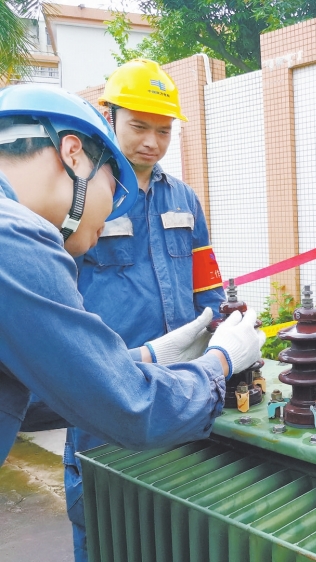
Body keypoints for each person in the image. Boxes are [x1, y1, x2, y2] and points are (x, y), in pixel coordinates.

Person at [0, 83, 264, 549]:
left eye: (163, 130)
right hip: (132, 406)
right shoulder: (17, 240)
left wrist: (143, 357)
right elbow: (128, 407)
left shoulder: (182, 197)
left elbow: (24, 398)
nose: (115, 207)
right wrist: (221, 362)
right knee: (107, 527)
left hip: (143, 386)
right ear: (74, 154)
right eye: (112, 186)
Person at [64, 59, 228, 561]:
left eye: (164, 130)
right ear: (109, 116)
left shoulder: (184, 199)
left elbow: (208, 284)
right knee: (102, 518)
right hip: (105, 391)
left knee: (171, 522)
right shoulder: (84, 196)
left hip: (178, 390)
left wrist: (223, 332)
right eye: (139, 126)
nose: (152, 142)